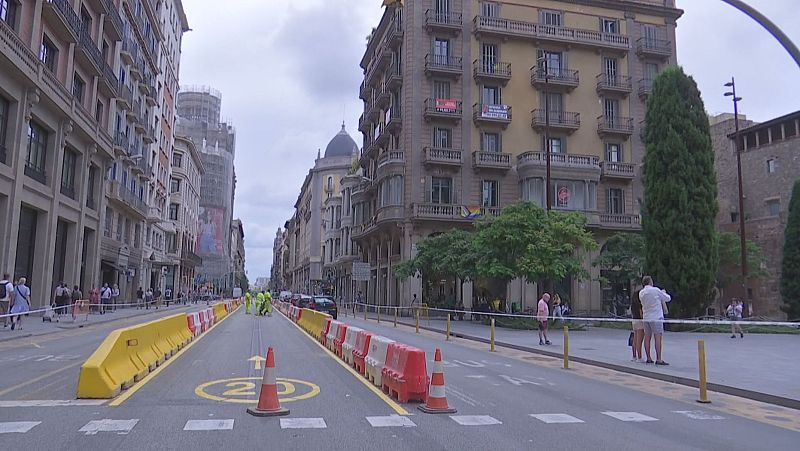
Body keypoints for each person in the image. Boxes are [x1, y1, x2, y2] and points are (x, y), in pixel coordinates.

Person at [640, 275, 671, 365]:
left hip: (646, 317)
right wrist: (663, 292)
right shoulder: (656, 290)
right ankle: (658, 358)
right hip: (656, 317)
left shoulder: (641, 293)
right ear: (650, 282)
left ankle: (648, 358)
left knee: (647, 337)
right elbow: (668, 298)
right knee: (658, 337)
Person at [630, 287, 645, 362]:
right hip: (640, 322)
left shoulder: (633, 304)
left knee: (635, 340)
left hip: (634, 321)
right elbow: (641, 314)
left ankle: (634, 356)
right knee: (639, 340)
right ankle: (639, 357)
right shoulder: (639, 304)